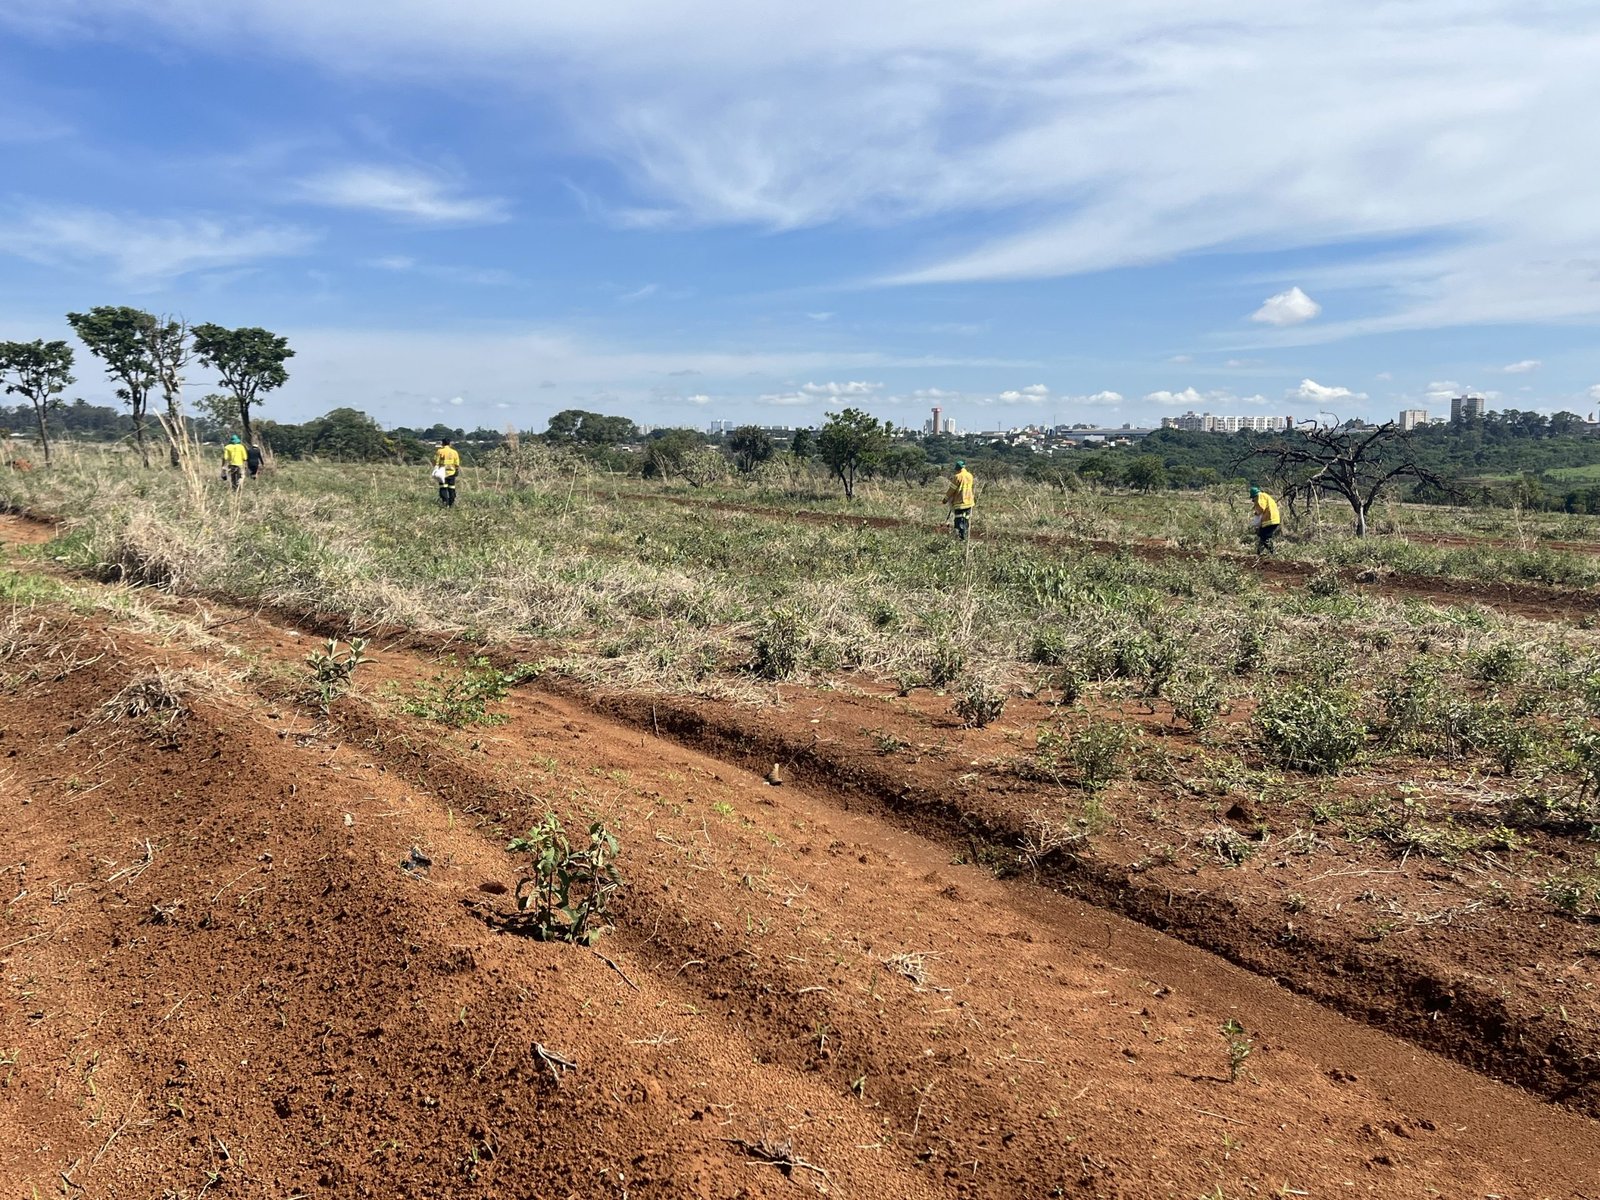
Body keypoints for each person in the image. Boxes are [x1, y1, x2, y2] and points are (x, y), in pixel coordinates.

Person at [943, 459, 975, 542]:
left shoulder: (957, 477)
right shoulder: (970, 476)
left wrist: (945, 499)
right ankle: (965, 537)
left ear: (957, 468)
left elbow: (951, 489)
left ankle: (960, 538)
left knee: (959, 520)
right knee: (966, 520)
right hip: (969, 502)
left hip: (960, 503)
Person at [1249, 485, 1281, 555]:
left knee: (1265, 537)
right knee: (1262, 535)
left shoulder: (1260, 496)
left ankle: (1273, 553)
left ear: (1254, 495)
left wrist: (1256, 513)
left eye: (1253, 499)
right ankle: (1259, 552)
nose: (1253, 501)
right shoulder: (1265, 496)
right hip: (1273, 519)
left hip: (1269, 520)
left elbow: (1261, 508)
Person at [434, 439, 461, 507]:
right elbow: (457, 463)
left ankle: (445, 503)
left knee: (443, 488)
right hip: (452, 472)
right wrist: (456, 470)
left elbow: (436, 462)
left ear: (442, 443)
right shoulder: (454, 452)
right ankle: (451, 503)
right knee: (451, 488)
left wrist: (435, 470)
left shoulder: (440, 451)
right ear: (450, 443)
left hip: (441, 473)